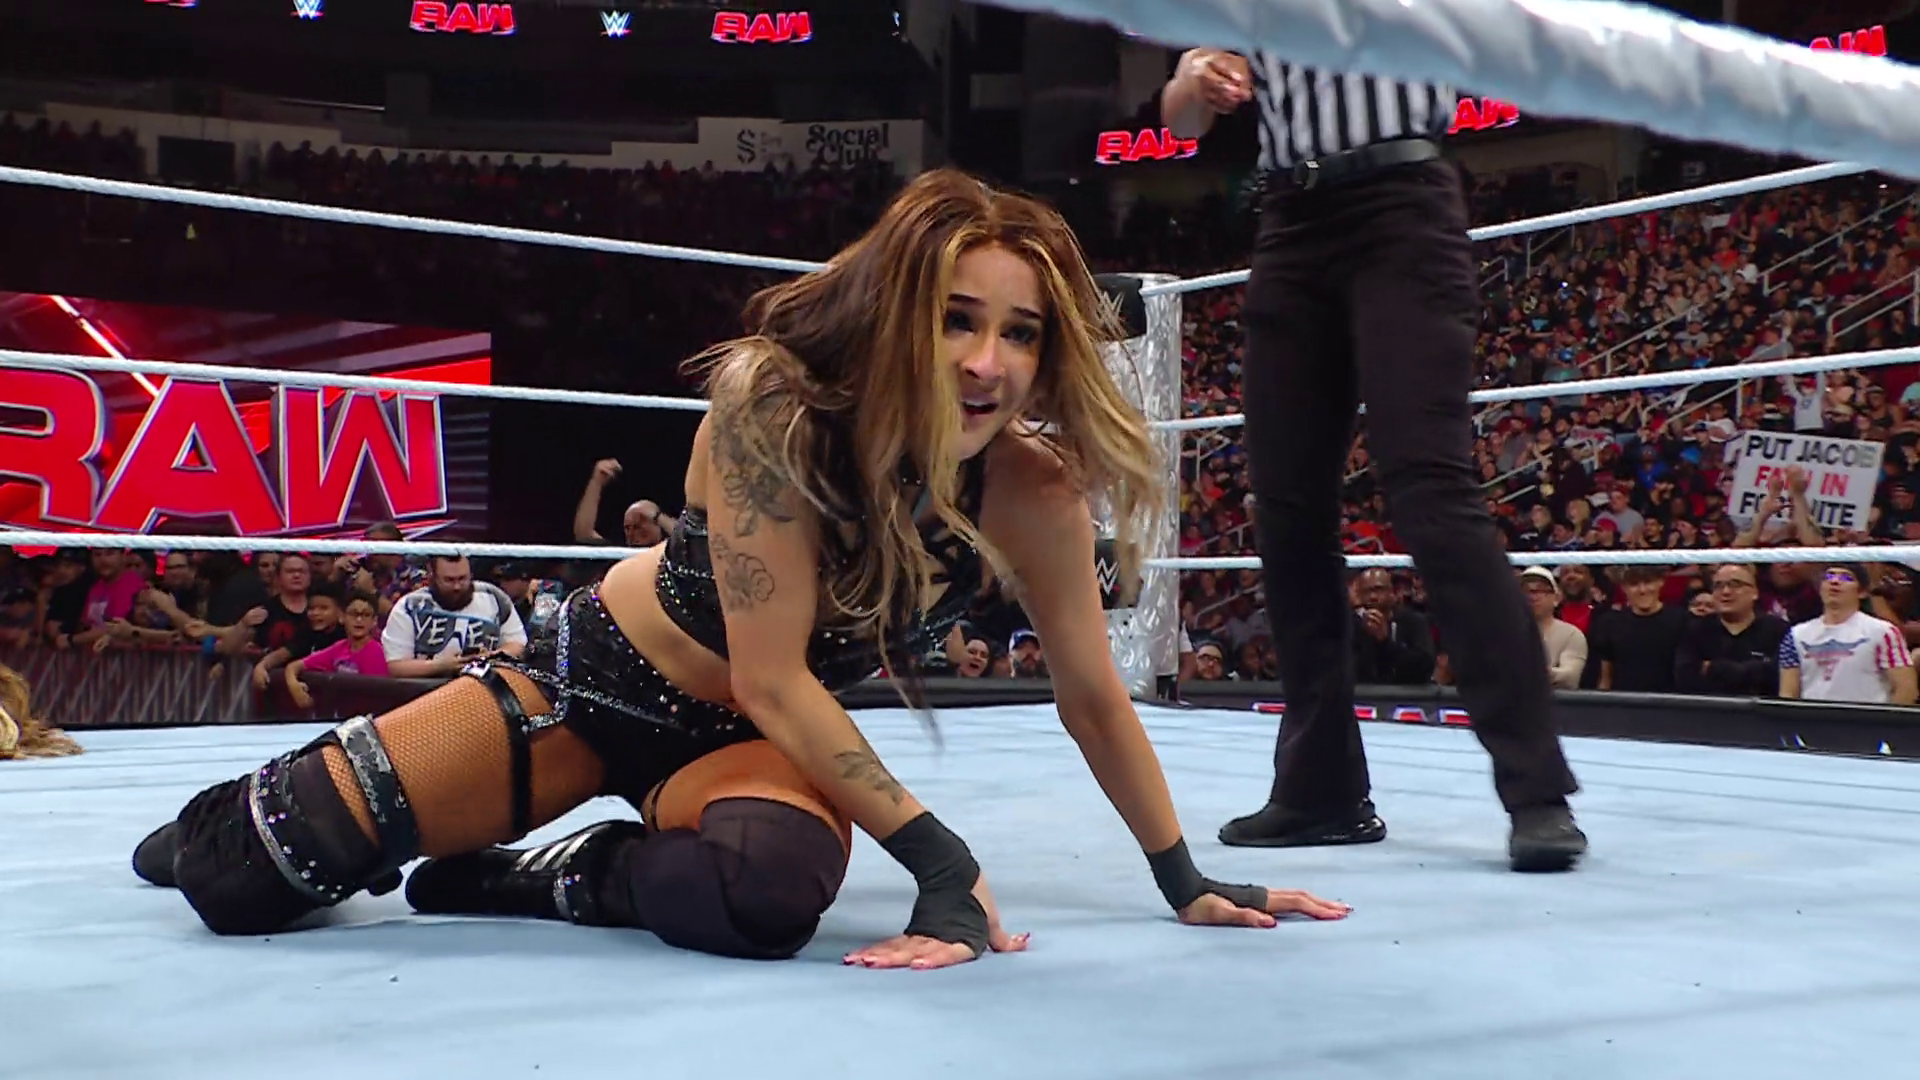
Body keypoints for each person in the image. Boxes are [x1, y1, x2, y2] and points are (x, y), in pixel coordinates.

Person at [129, 168, 1348, 967]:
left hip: (750, 747)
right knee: (238, 881)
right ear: (896, 314)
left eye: (1020, 333)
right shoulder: (776, 405)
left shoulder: (1032, 488)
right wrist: (943, 864)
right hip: (592, 689)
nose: (989, 363)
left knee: (765, 897)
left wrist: (1183, 876)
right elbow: (773, 670)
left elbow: (1092, 696)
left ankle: (548, 878)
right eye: (957, 319)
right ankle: (265, 800)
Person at [1161, 50, 1587, 871]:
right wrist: (1197, 78)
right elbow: (1180, 119)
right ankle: (1320, 791)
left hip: (1402, 205)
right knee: (1286, 507)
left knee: (1431, 487)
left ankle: (1537, 789)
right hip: (1289, 220)